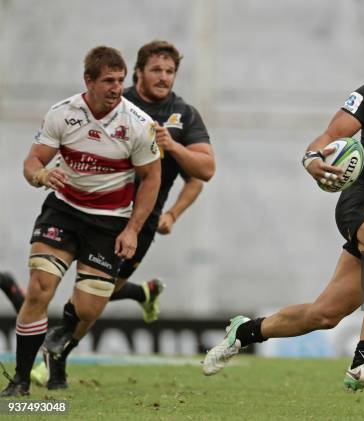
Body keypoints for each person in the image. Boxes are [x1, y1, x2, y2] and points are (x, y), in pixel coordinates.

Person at [202, 26, 364, 391]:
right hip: (360, 201)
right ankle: (363, 362)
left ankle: (244, 331)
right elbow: (330, 137)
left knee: (324, 314)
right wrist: (312, 158)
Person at [35, 40, 214, 390]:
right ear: (138, 72)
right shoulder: (118, 100)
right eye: (156, 70)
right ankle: (57, 350)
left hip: (137, 223)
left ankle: (62, 346)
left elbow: (204, 173)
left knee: (94, 294)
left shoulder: (185, 115)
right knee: (74, 288)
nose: (164, 77)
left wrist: (174, 209)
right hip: (88, 210)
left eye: (170, 71)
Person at [0, 46, 161, 397]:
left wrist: (132, 229)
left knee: (88, 308)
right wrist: (41, 175)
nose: (116, 88)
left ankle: (60, 336)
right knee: (41, 286)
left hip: (109, 223)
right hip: (64, 211)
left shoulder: (138, 124)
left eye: (120, 81)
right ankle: (21, 380)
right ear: (88, 81)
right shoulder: (62, 114)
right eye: (108, 81)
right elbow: (32, 161)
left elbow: (151, 179)